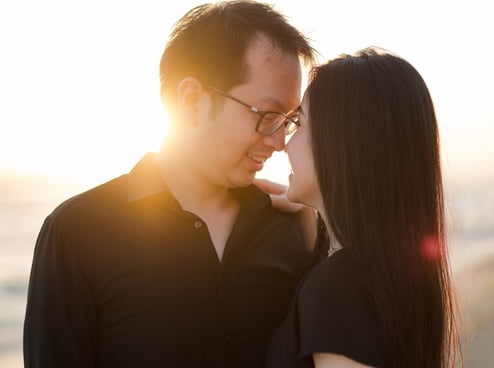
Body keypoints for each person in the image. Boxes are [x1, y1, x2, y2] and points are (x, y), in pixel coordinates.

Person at [23, 1, 317, 367]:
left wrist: (325, 216)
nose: (278, 141)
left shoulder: (300, 227)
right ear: (192, 99)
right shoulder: (77, 232)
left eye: (287, 120)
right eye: (267, 116)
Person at [265, 48, 461, 368]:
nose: (285, 144)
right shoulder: (398, 275)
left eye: (297, 124)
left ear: (340, 142)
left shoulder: (336, 288)